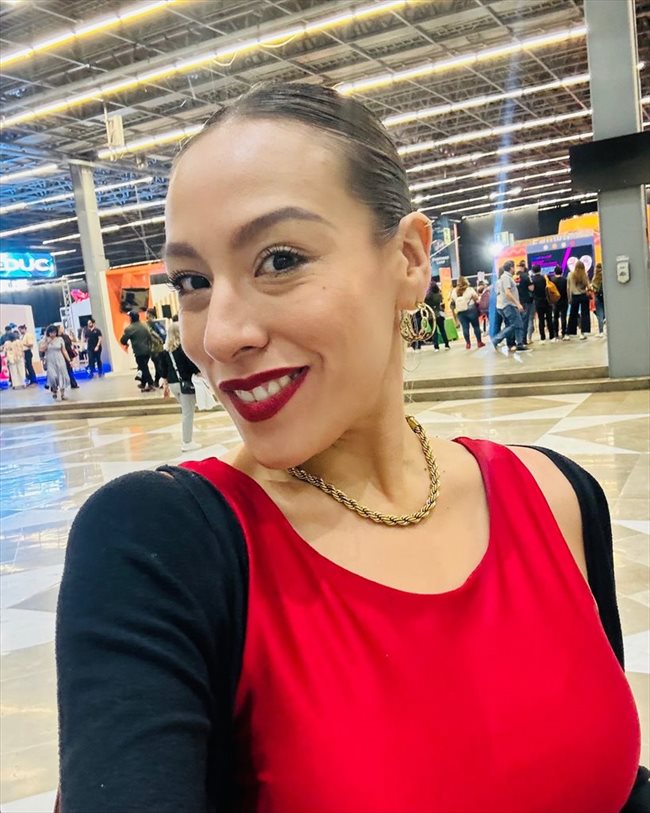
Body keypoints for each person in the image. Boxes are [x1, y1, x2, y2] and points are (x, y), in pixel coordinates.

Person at [55, 83, 645, 813]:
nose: (220, 335)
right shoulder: (161, 547)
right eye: (193, 282)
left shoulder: (556, 497)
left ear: (409, 260)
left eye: (278, 260)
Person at [160, 320, 201, 452]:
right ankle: (187, 442)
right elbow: (191, 366)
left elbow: (163, 370)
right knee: (188, 414)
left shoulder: (166, 351)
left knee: (186, 411)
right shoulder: (183, 349)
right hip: (185, 383)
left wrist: (165, 385)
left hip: (173, 384)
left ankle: (187, 440)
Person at [490, 261, 528, 354]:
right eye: (513, 267)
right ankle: (496, 340)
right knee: (515, 324)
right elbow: (507, 293)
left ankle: (519, 343)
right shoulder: (506, 278)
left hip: (503, 305)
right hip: (509, 305)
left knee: (516, 324)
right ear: (511, 268)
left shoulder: (503, 279)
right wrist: (517, 303)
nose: (515, 269)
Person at [120, 310, 155, 391]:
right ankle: (143, 383)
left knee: (143, 368)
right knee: (142, 366)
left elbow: (123, 340)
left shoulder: (129, 328)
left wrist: (126, 343)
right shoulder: (144, 325)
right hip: (148, 350)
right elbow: (149, 336)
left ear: (131, 318)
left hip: (139, 351)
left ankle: (150, 383)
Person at [450, 275, 484, 349]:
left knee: (465, 328)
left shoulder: (454, 291)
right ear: (466, 282)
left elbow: (452, 301)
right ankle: (479, 342)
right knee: (476, 327)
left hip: (460, 312)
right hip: (471, 309)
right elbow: (476, 298)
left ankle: (468, 344)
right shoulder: (470, 289)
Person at [40, 324, 70, 400]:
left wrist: (69, 360)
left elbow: (64, 350)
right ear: (48, 333)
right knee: (53, 377)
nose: (53, 334)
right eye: (51, 332)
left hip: (60, 360)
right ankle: (54, 389)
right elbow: (41, 349)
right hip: (50, 361)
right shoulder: (45, 340)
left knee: (62, 376)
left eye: (54, 332)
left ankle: (63, 394)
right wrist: (47, 342)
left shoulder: (60, 339)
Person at [567, 260, 591, 340]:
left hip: (575, 296)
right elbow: (588, 286)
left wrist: (569, 298)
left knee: (573, 314)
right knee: (585, 314)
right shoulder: (585, 274)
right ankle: (583, 333)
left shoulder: (570, 275)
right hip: (584, 296)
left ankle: (570, 332)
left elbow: (568, 288)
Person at [531, 264, 555, 343]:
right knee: (549, 319)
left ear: (533, 271)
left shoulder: (532, 280)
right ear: (540, 269)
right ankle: (552, 336)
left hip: (538, 302)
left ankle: (542, 338)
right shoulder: (545, 277)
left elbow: (531, 290)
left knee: (541, 320)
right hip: (547, 300)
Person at [424, 280, 450, 351]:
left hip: (430, 316)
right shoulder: (439, 295)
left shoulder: (427, 297)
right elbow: (441, 303)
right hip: (439, 314)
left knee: (434, 332)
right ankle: (447, 345)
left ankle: (436, 347)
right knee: (442, 330)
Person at [516, 260, 535, 344]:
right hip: (526, 300)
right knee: (527, 320)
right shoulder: (527, 276)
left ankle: (518, 339)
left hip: (517, 301)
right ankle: (525, 340)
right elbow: (532, 288)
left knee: (518, 320)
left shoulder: (514, 277)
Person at [147, 308, 166, 387]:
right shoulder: (159, 322)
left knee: (158, 365)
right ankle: (157, 380)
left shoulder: (149, 324)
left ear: (149, 314)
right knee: (158, 363)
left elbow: (150, 335)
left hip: (154, 347)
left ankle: (161, 380)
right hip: (160, 347)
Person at [551, 265, 569, 340]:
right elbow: (567, 290)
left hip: (555, 301)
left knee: (555, 317)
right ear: (562, 272)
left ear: (554, 272)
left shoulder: (552, 280)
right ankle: (564, 333)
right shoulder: (565, 280)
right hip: (564, 300)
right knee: (563, 317)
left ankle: (556, 333)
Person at [591, 263, 606, 337]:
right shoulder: (605, 275)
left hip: (598, 297)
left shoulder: (595, 277)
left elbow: (593, 288)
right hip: (605, 297)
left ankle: (601, 332)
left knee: (600, 314)